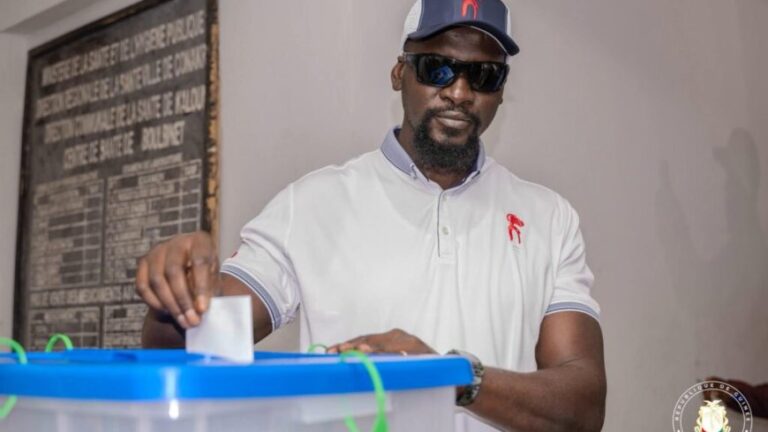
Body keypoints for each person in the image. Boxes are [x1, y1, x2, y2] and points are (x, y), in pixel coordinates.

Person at [136, 0, 607, 430]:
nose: (460, 92)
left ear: (501, 92)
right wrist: (178, 291)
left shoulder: (548, 218)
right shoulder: (313, 204)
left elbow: (583, 407)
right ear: (400, 73)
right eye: (437, 68)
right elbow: (188, 347)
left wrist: (453, 377)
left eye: (484, 75)